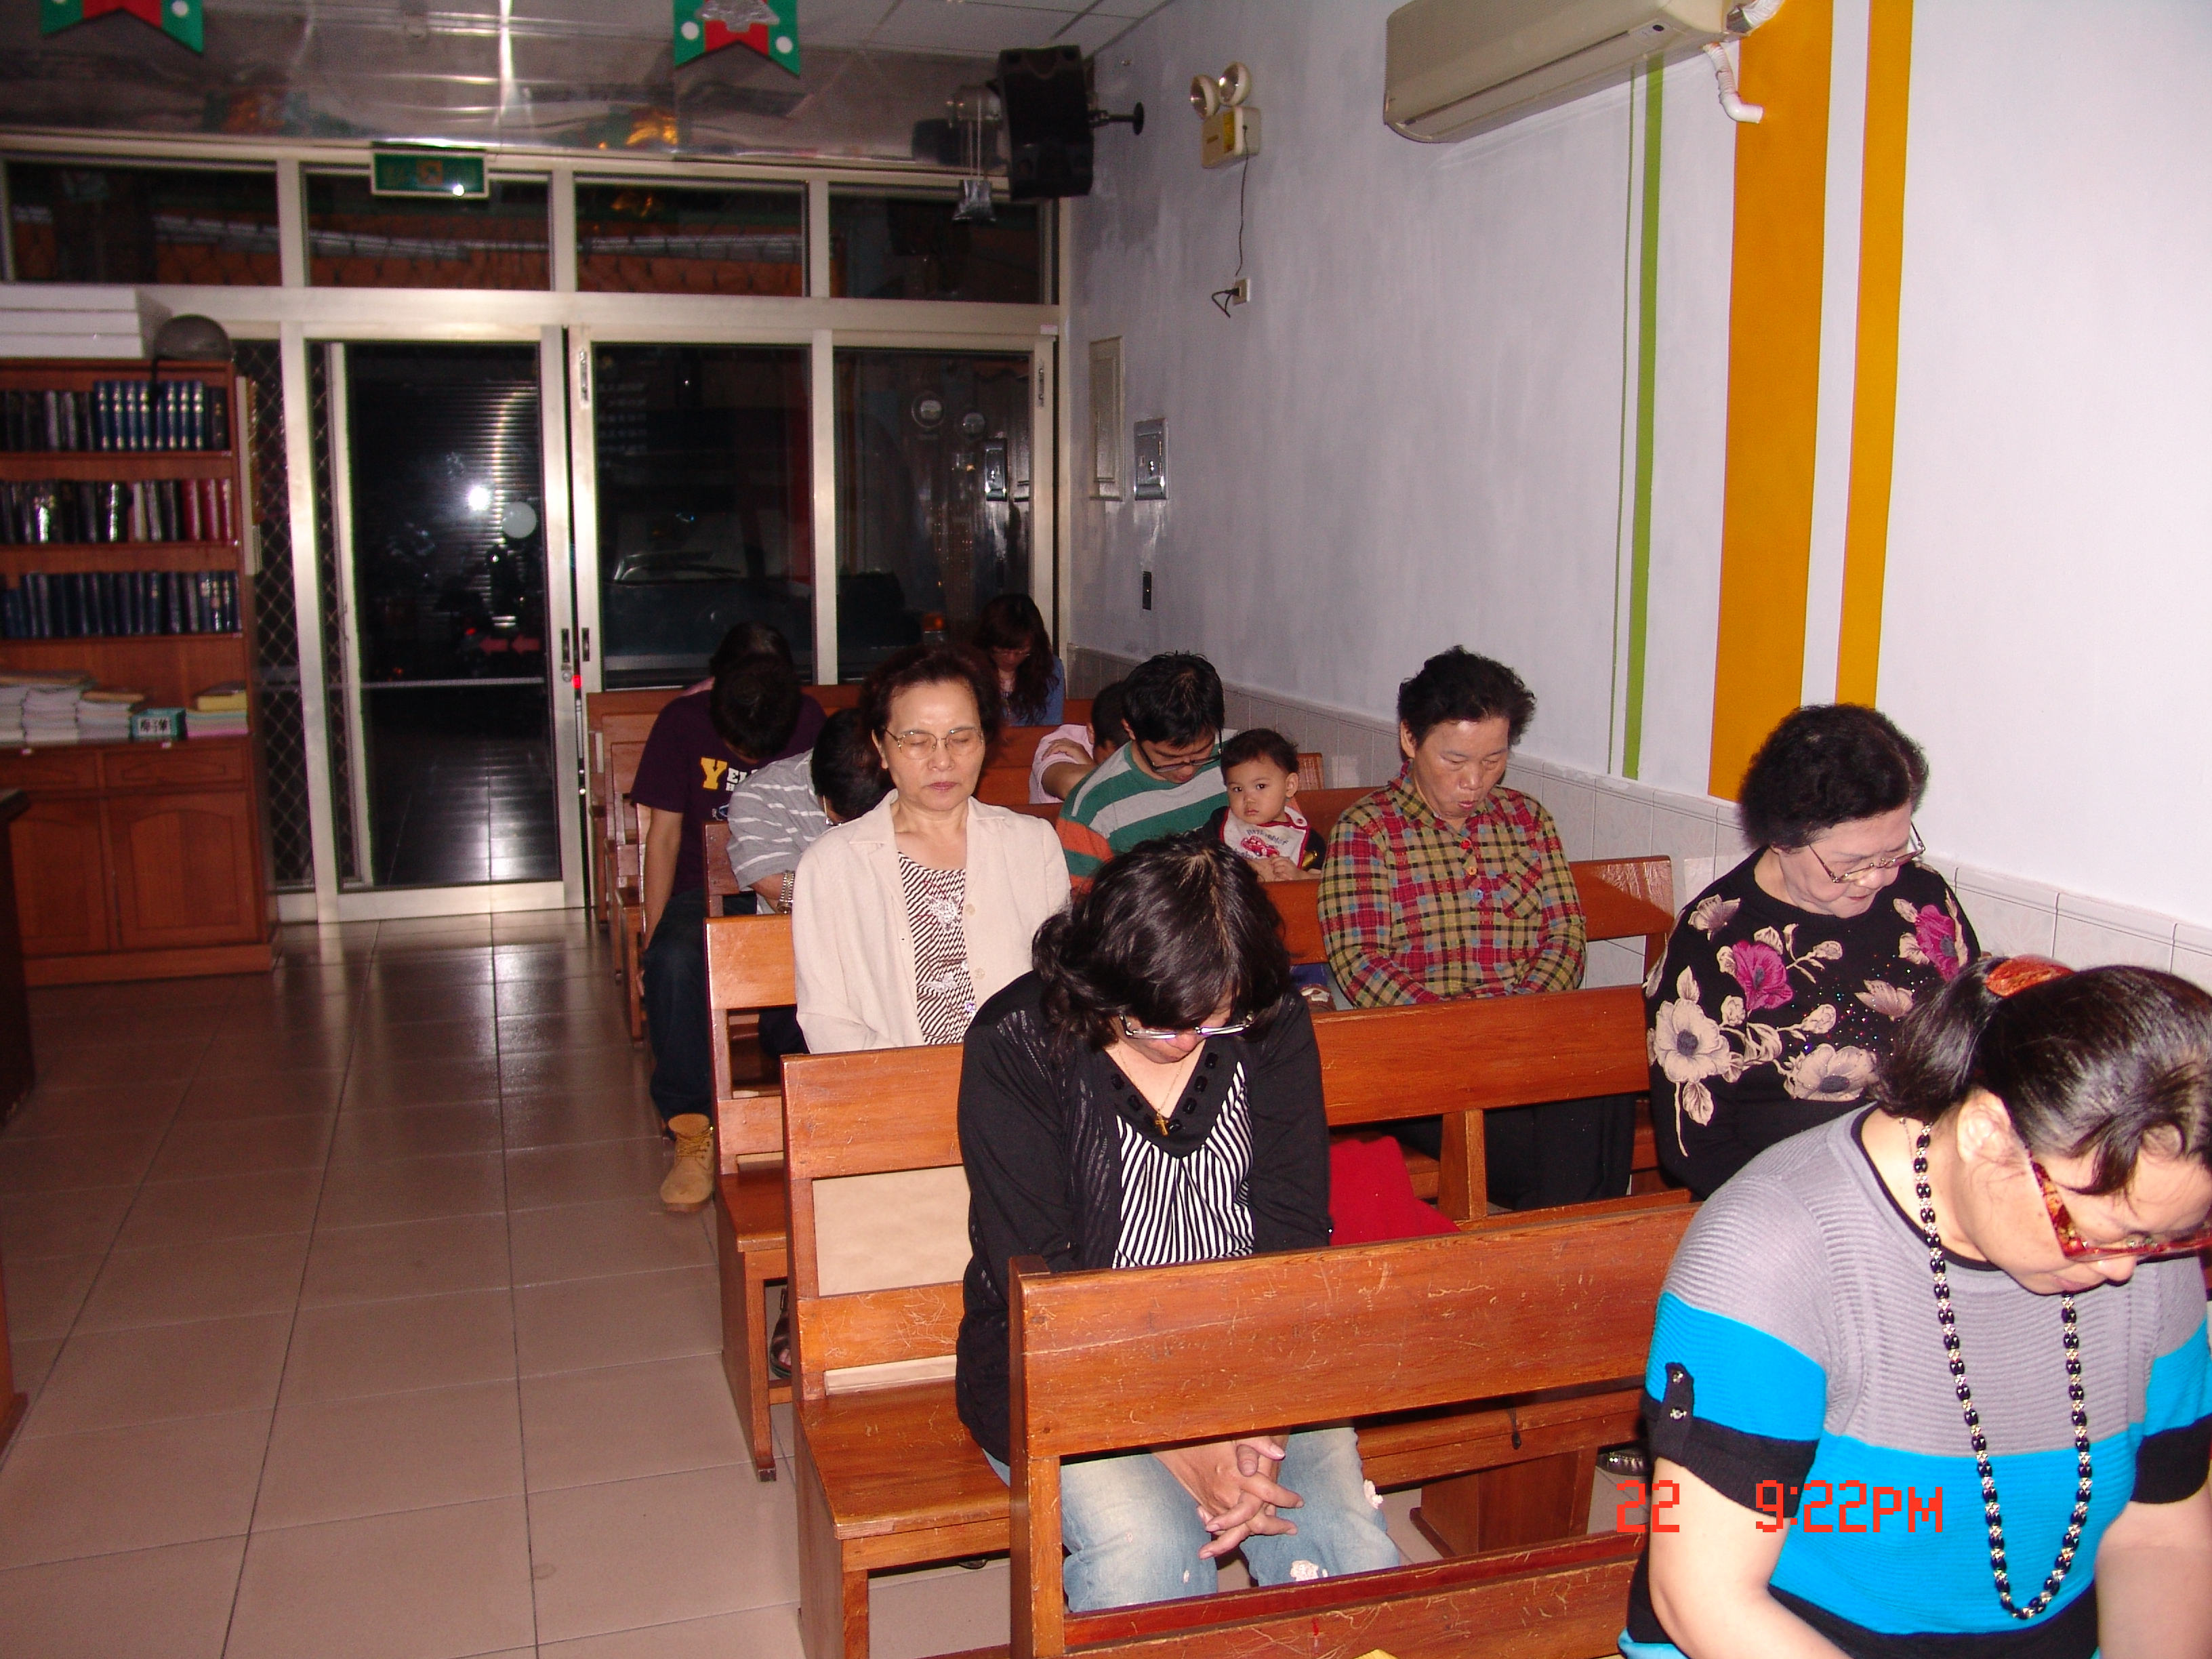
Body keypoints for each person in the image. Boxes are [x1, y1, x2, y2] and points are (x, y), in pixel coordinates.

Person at [1629, 956, 2212, 1659]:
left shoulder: (2145, 1243)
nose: (2125, 1268)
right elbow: (1702, 1596)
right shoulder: (1773, 1250)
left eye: (2160, 1238)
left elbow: (2162, 1535)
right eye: (2097, 1233)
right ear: (1986, 1134)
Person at [956, 834, 1402, 1612]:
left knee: (1340, 1535)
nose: (1189, 1042)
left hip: (1255, 1343)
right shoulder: (1019, 1040)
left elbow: (1294, 1230)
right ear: (1103, 976)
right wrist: (1184, 1444)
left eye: (1214, 1021)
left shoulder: (1266, 1018)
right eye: (1161, 1022)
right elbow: (1045, 1278)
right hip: (1063, 1363)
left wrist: (1261, 1426)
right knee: (1149, 1547)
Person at [1318, 647, 1618, 1209]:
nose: (1474, 781)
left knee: (1603, 1079)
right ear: (1410, 739)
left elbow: (1564, 936)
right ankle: (1577, 1239)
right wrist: (1462, 1032)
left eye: (1494, 759)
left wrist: (1516, 1018)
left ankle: (1563, 1243)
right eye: (1454, 760)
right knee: (1569, 1150)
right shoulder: (1368, 830)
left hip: (1523, 1038)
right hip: (1424, 1057)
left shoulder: (1528, 820)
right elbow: (1360, 962)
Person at [1645, 703, 1980, 1199]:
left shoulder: (1922, 897)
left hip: (1935, 1181)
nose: (1877, 878)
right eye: (1851, 863)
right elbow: (1693, 1147)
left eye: (1894, 852)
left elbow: (1979, 1040)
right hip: (1792, 1199)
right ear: (1783, 841)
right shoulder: (1713, 942)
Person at [793, 644, 1069, 1052]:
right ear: (881, 748)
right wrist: (914, 1083)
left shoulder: (1032, 844)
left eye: (961, 738)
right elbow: (827, 1018)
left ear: (984, 740)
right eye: (917, 741)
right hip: (889, 1081)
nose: (943, 761)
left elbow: (1058, 988)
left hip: (1019, 1077)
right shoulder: (832, 863)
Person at [635, 651, 817, 1211]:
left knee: (823, 954)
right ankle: (691, 1125)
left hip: (791, 887)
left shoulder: (811, 721)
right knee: (674, 959)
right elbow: (664, 838)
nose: (752, 759)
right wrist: (650, 941)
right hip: (705, 891)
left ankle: (817, 1102)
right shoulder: (680, 723)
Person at [1059, 653, 1231, 880]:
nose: (1187, 770)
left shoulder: (1246, 760)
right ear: (1130, 730)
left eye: (1201, 753)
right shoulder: (1091, 810)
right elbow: (1084, 898)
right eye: (1168, 758)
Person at [724, 710, 888, 914]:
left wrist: (798, 884)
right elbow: (774, 890)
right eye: (837, 818)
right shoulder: (761, 795)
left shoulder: (905, 781)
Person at [1204, 728, 1322, 882]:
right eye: (1237, 789)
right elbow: (1196, 859)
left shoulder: (1308, 839)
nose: (1248, 799)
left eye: (1260, 786)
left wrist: (1300, 877)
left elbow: (1324, 882)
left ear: (1289, 786)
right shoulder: (1220, 822)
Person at [971, 592, 1064, 726]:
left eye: (1021, 651)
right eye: (1003, 651)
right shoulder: (969, 670)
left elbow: (1052, 726)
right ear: (987, 644)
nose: (1011, 659)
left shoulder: (1051, 669)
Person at [1030, 679, 1128, 805]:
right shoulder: (1062, 744)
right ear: (1092, 733)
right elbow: (1069, 785)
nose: (1119, 766)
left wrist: (1091, 765)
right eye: (1110, 760)